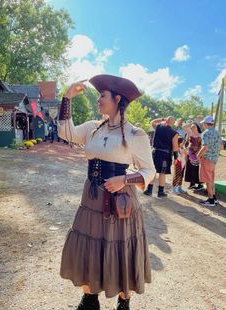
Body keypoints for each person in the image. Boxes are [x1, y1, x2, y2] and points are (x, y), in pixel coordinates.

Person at [58, 75, 155, 310]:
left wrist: (125, 178)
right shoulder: (92, 128)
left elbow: (149, 171)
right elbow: (66, 132)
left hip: (120, 202)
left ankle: (124, 300)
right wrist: (66, 99)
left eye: (103, 96)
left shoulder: (135, 134)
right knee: (89, 245)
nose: (98, 100)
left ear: (117, 99)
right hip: (91, 199)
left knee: (120, 246)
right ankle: (90, 298)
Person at [143, 116, 178, 197]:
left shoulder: (159, 127)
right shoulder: (174, 133)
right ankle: (160, 192)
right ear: (173, 123)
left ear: (166, 120)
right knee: (162, 173)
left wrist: (162, 119)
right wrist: (176, 158)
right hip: (165, 155)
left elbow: (152, 121)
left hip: (155, 152)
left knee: (153, 171)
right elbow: (175, 147)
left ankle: (149, 190)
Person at [197, 116, 221, 207]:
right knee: (211, 179)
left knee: (207, 179)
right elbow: (221, 147)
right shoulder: (217, 133)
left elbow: (205, 147)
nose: (203, 125)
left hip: (207, 159)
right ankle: (214, 198)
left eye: (203, 123)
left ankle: (210, 200)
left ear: (206, 124)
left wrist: (198, 156)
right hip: (214, 159)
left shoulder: (206, 133)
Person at [182, 122, 204, 191]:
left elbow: (203, 145)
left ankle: (200, 184)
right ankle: (192, 183)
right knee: (190, 168)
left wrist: (200, 153)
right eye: (191, 127)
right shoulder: (190, 133)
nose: (192, 128)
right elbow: (184, 127)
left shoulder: (201, 135)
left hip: (198, 153)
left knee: (198, 169)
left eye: (194, 127)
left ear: (197, 127)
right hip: (190, 153)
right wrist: (192, 122)